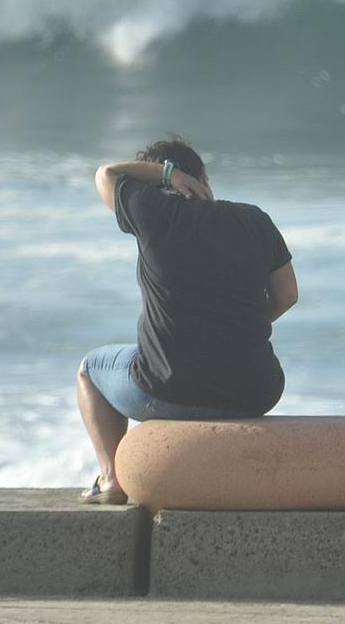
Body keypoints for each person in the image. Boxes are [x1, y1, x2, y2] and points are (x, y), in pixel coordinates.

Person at [76, 135, 297, 504]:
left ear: (156, 185)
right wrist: (235, 329)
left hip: (166, 391)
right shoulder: (255, 220)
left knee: (89, 370)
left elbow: (106, 174)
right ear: (205, 177)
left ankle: (112, 479)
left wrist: (164, 174)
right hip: (255, 391)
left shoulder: (153, 213)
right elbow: (287, 295)